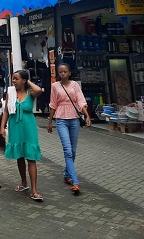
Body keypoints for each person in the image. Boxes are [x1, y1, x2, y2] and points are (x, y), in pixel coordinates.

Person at [47, 63, 91, 194]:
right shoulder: (55, 86)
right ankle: (75, 181)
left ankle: (67, 174)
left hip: (74, 119)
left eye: (65, 71)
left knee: (73, 149)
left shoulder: (75, 85)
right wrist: (50, 122)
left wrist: (87, 116)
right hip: (61, 119)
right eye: (60, 72)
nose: (63, 74)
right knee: (67, 150)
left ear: (69, 73)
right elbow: (53, 104)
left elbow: (81, 101)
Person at [0, 69, 44, 201]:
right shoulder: (11, 93)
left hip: (28, 126)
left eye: (16, 78)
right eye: (13, 78)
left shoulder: (30, 93)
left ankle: (34, 189)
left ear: (24, 80)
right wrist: (2, 127)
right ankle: (24, 182)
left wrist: (28, 81)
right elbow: (6, 111)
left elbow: (39, 90)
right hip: (15, 125)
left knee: (31, 157)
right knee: (19, 155)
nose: (14, 81)